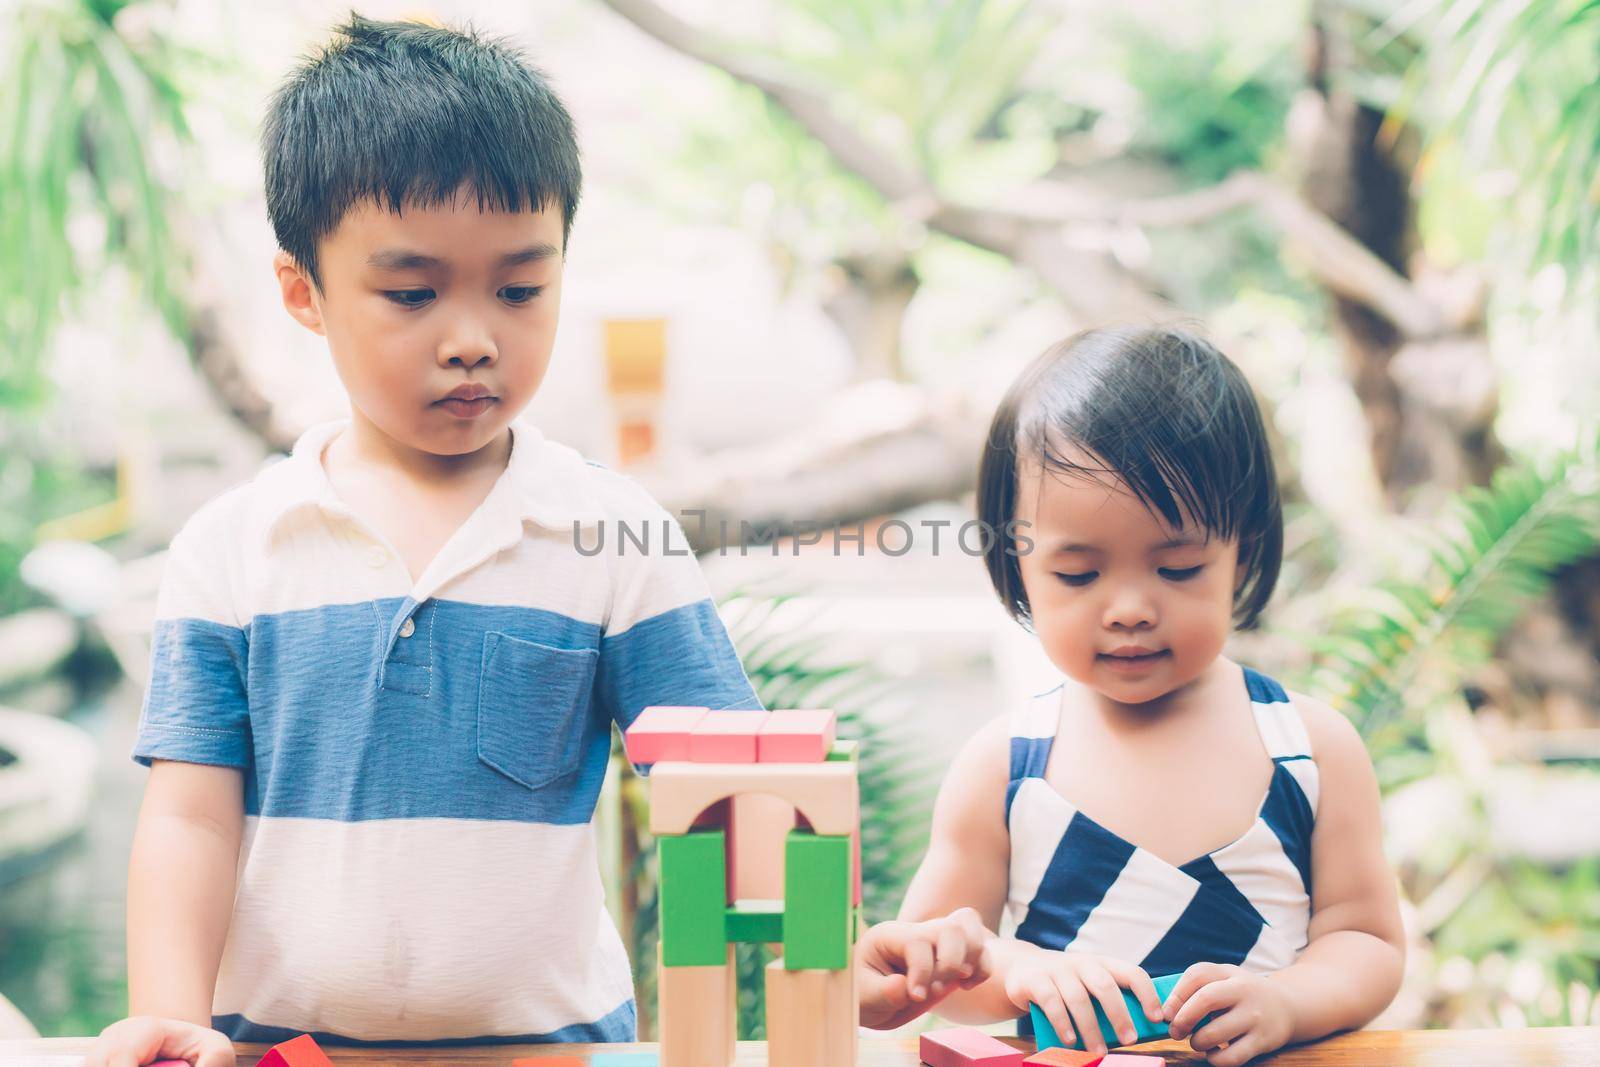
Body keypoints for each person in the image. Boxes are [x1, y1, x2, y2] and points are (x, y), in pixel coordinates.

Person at [84, 16, 991, 1065]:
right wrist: (169, 1012)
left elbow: (738, 786)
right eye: (412, 292)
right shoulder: (231, 551)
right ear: (304, 292)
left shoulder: (610, 536)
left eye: (519, 287)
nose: (472, 334)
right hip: (281, 1053)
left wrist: (834, 943)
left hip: (553, 1052)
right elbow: (191, 818)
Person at [890, 326, 1405, 1066]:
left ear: (1243, 554)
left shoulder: (1311, 750)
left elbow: (1366, 941)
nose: (1129, 607)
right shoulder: (1005, 765)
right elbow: (930, 969)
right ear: (1018, 564)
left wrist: (1288, 999)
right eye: (1078, 574)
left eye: (1179, 567)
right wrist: (1022, 975)